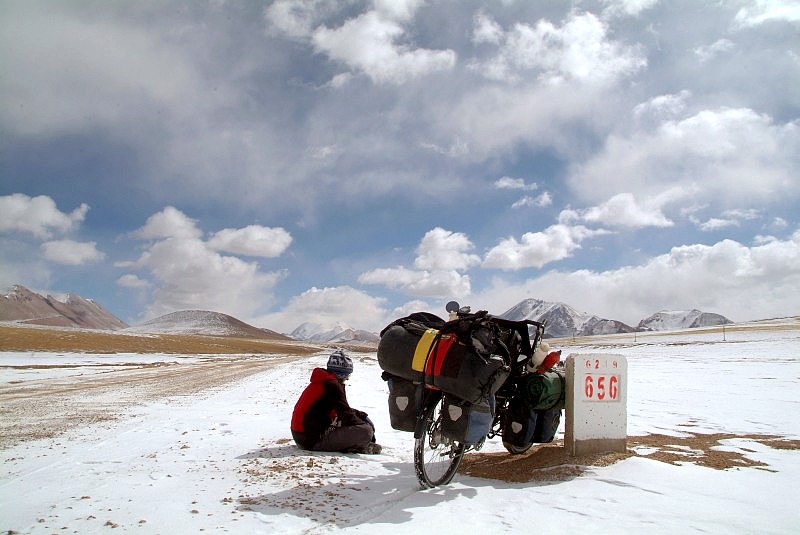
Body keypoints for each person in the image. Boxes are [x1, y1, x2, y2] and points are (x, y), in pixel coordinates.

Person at [291, 350, 382, 454]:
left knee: (355, 425)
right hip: (311, 440)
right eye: (347, 374)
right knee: (365, 431)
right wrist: (364, 426)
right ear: (340, 373)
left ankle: (349, 443)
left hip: (302, 435)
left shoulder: (324, 381)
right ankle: (354, 446)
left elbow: (340, 409)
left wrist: (361, 415)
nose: (347, 378)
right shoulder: (332, 385)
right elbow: (346, 415)